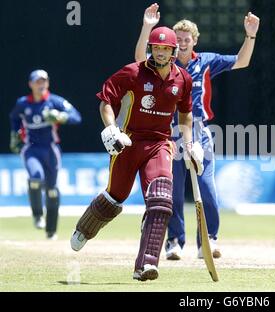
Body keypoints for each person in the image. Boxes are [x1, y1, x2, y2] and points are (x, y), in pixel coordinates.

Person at [70, 26, 203, 282]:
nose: (161, 53)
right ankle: (85, 228)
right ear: (151, 49)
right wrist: (111, 129)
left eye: (166, 49)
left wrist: (190, 142)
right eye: (156, 48)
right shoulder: (133, 72)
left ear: (174, 51)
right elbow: (106, 100)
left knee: (162, 200)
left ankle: (146, 265)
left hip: (160, 144)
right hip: (128, 142)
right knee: (115, 197)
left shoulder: (182, 79)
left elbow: (186, 113)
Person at [135, 3, 260, 260]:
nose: (181, 43)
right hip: (167, 133)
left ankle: (208, 239)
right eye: (177, 39)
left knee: (206, 187)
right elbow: (138, 60)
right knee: (173, 190)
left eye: (186, 39)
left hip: (198, 131)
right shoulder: (163, 62)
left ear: (195, 41)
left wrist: (250, 35)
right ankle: (174, 242)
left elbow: (243, 61)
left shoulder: (206, 61)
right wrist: (147, 27)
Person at [9, 70, 82, 240]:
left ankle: (51, 231)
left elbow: (77, 117)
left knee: (52, 191)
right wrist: (14, 135)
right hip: (31, 149)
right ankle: (37, 215)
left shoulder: (54, 101)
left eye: (43, 81)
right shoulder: (23, 103)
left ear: (47, 83)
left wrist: (61, 117)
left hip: (50, 150)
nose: (41, 85)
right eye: (37, 82)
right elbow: (13, 117)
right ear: (31, 84)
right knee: (35, 177)